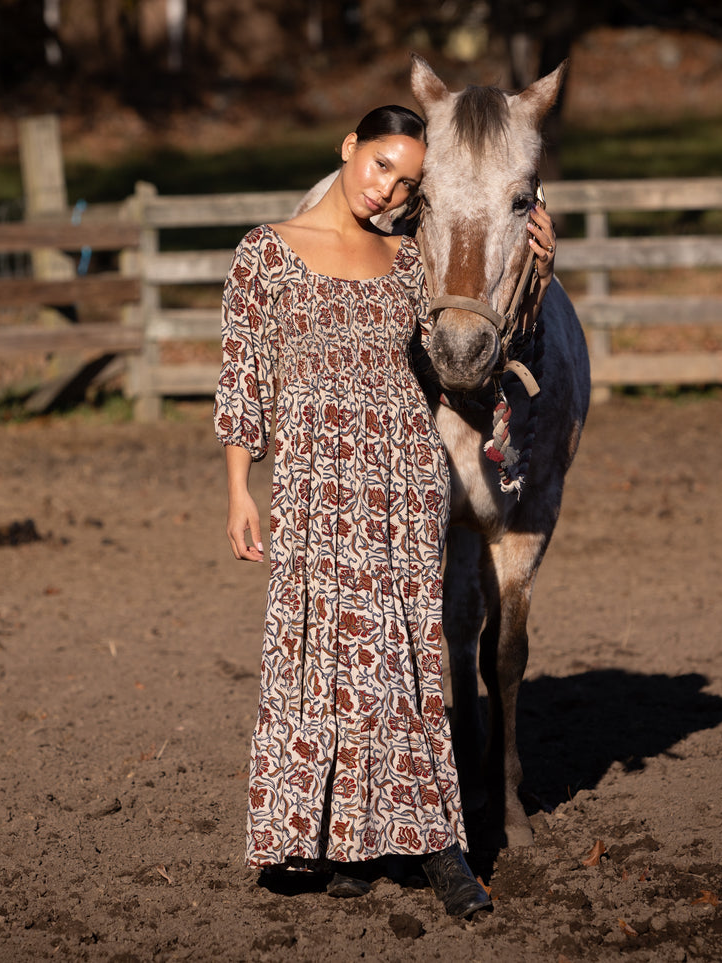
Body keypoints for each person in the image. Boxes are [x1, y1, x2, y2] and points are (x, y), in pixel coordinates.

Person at [214, 104, 519, 920]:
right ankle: (343, 836)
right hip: (312, 485)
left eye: (407, 182)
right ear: (348, 147)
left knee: (397, 659)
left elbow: (466, 330)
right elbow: (242, 377)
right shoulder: (264, 253)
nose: (387, 189)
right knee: (325, 657)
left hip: (401, 480)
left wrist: (540, 247)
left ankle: (437, 846)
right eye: (381, 164)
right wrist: (239, 488)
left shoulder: (406, 259)